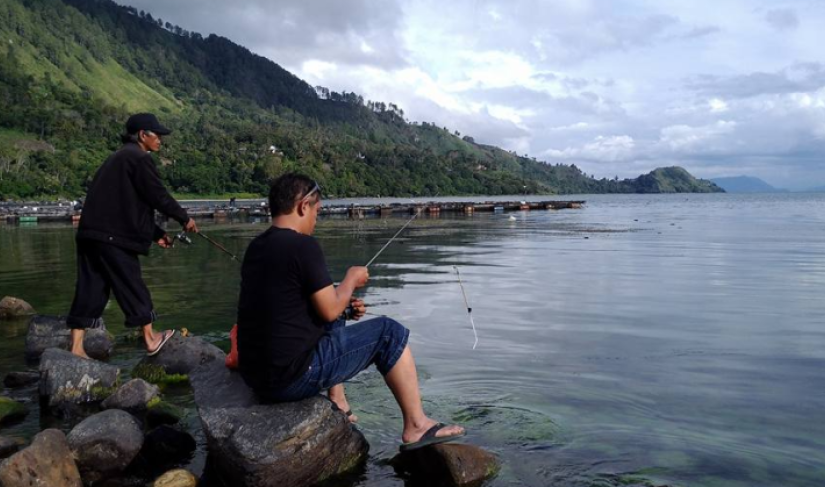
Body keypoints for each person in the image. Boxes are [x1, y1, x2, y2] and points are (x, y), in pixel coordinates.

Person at [237, 173, 465, 451]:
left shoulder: (256, 247)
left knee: (336, 304)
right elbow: (330, 309)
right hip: (289, 379)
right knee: (389, 333)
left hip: (257, 377)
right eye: (317, 212)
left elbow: (306, 307)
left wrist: (342, 302)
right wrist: (350, 280)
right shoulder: (302, 245)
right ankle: (417, 426)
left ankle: (339, 401)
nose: (315, 220)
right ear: (303, 206)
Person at [67, 113, 198, 359]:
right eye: (156, 134)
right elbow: (157, 196)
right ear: (142, 135)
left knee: (91, 286)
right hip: (112, 237)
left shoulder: (117, 158)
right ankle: (150, 338)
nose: (160, 139)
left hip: (91, 233)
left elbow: (127, 205)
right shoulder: (139, 159)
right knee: (131, 283)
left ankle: (76, 347)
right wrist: (184, 218)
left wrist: (156, 233)